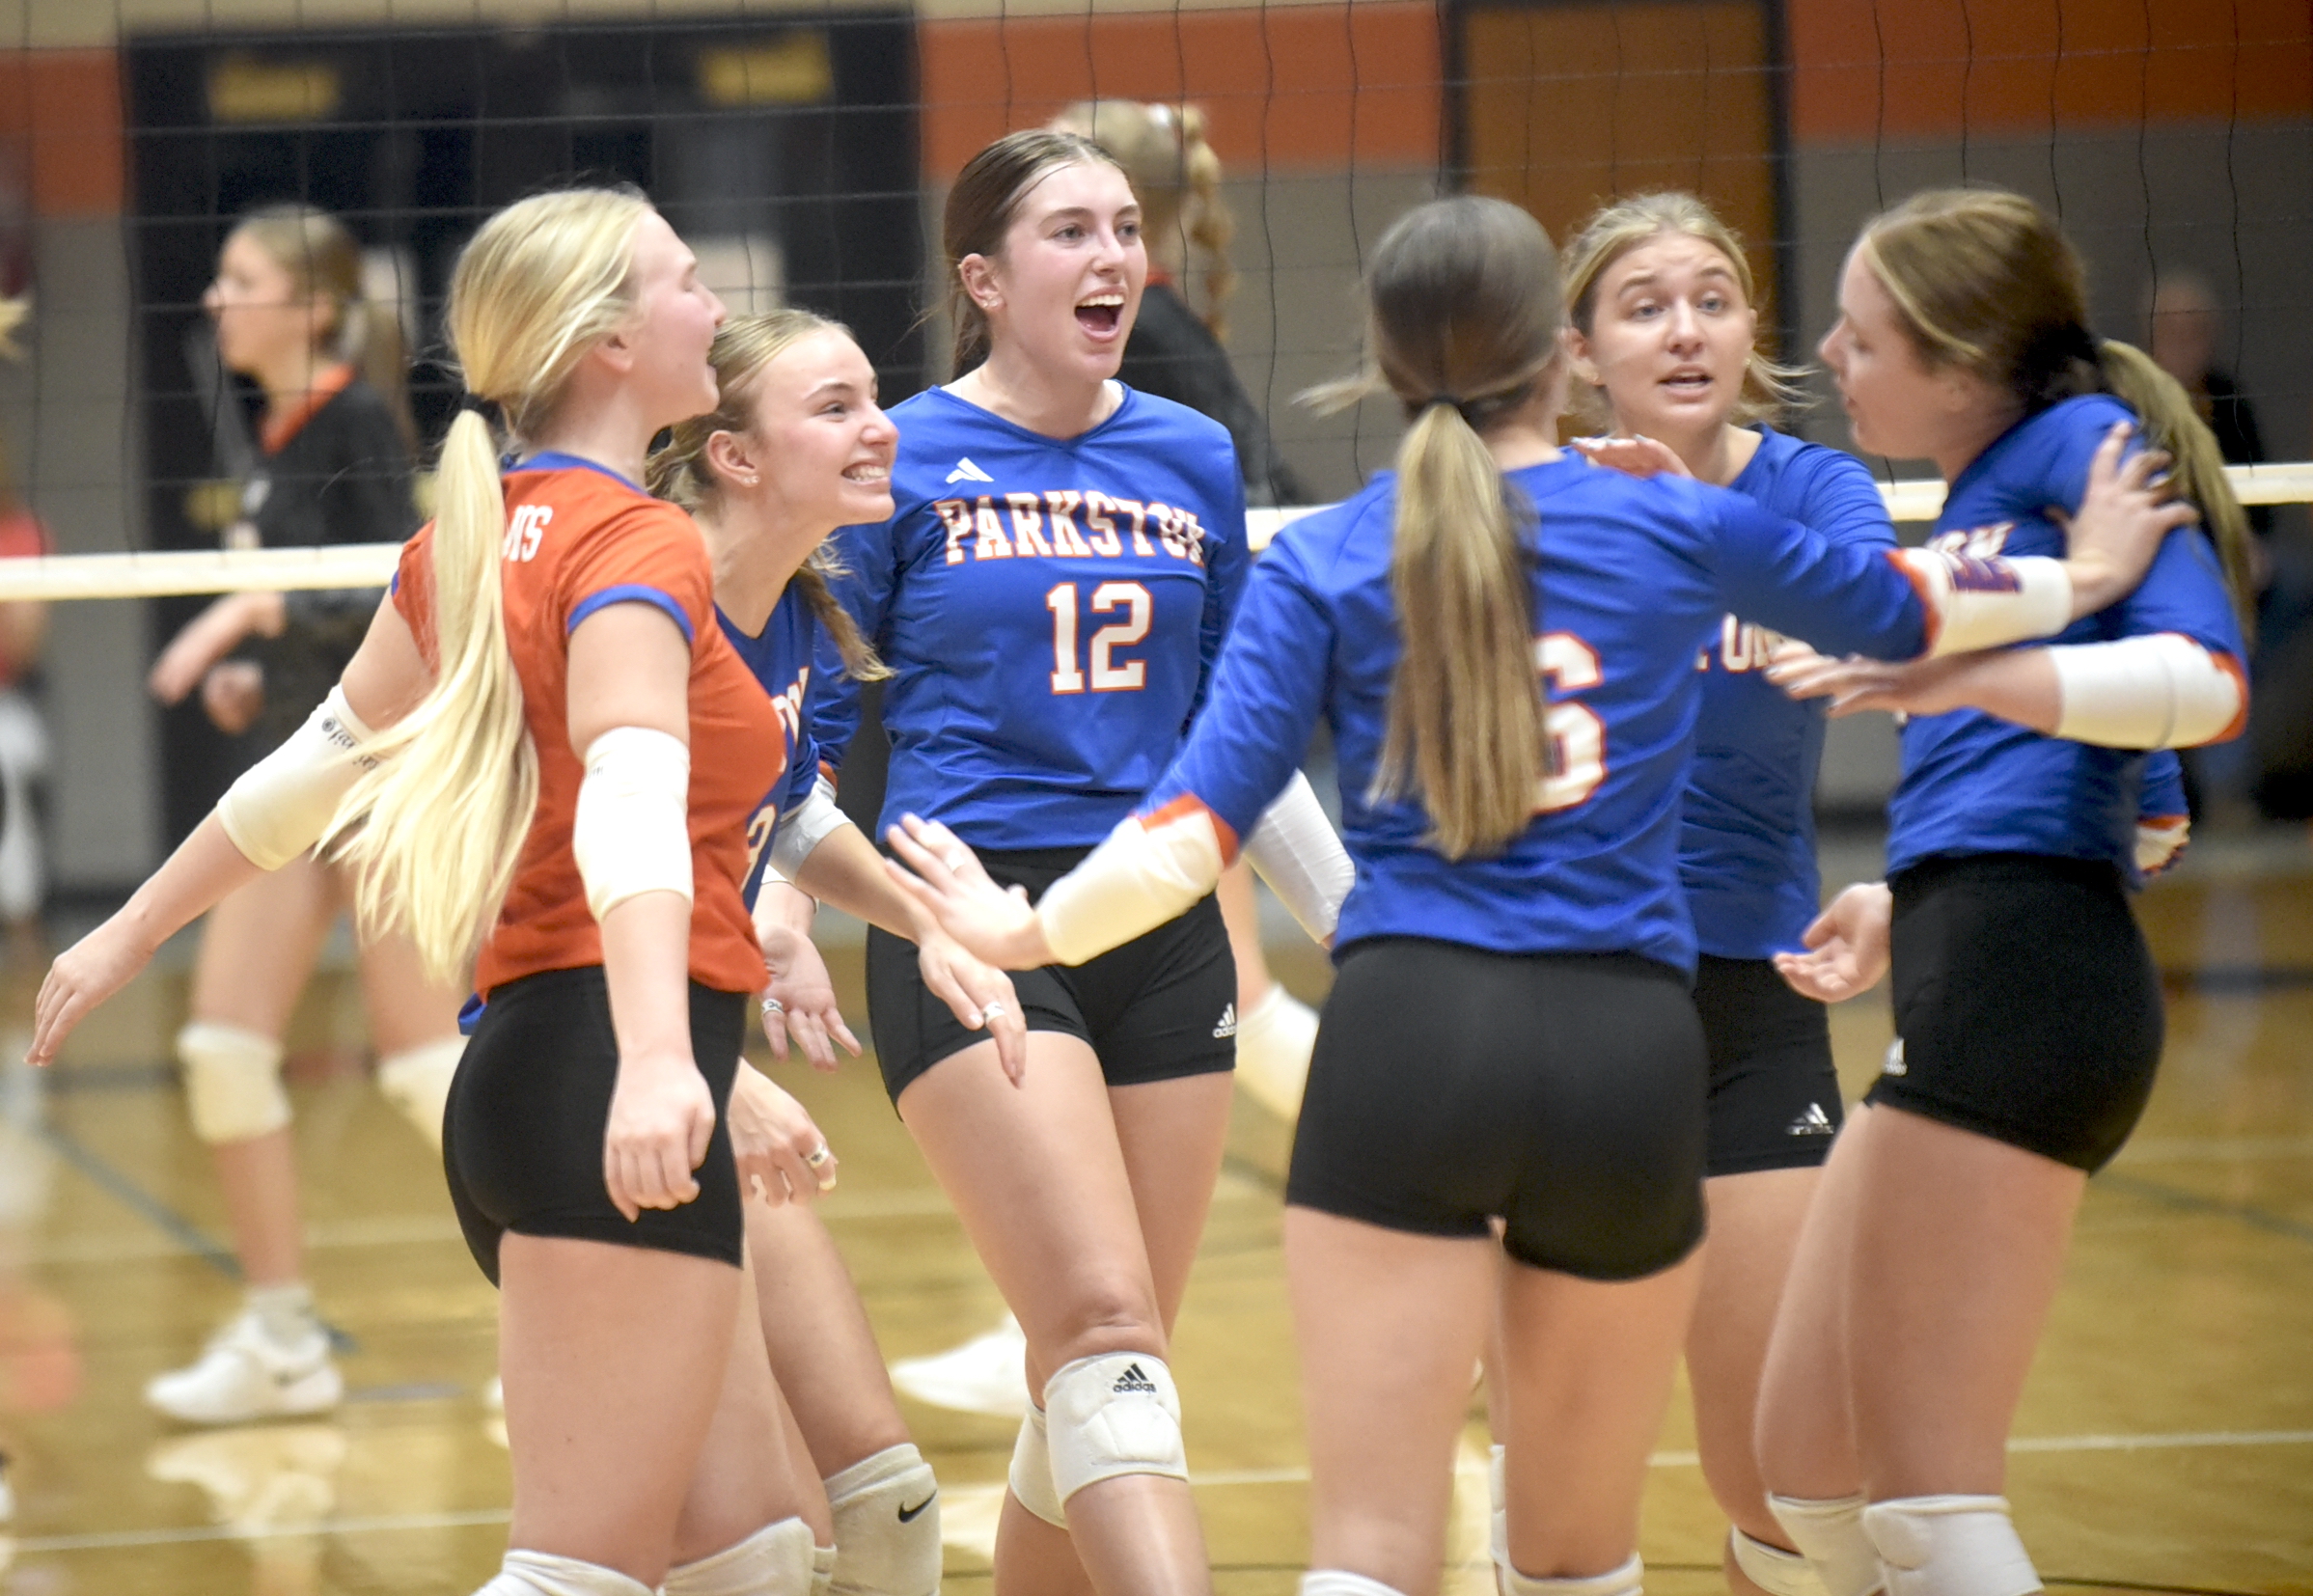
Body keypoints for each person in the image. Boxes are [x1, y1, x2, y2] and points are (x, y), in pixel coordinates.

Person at [878, 195, 2184, 1596]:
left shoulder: (1331, 554)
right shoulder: (1674, 524)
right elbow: (1908, 608)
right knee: (1575, 1554)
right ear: (1562, 356)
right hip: (1627, 1049)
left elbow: (1195, 826)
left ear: (1385, 366)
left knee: (1375, 1550)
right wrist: (2088, 574)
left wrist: (1029, 927)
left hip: (1411, 1036)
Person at [30, 185, 854, 1596]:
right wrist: (665, 1057)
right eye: (682, 280)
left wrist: (124, 932)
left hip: (532, 1077)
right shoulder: (637, 537)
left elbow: (304, 776)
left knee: (756, 1556)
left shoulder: (475, 535)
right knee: (579, 1573)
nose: (715, 305)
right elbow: (631, 800)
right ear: (609, 340)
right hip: (602, 1073)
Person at [806, 127, 1348, 1596]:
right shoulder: (898, 453)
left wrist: (1360, 924)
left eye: (1123, 228)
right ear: (983, 279)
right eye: (1069, 231)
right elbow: (805, 716)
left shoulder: (1190, 452)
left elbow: (1239, 735)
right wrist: (778, 913)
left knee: (1107, 1371)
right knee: (1104, 1326)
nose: (1112, 256)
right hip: (962, 912)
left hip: (1155, 920)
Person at [1750, 188, 2250, 1596]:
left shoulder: (2085, 448)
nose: (1831, 358)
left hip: (2034, 978)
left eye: (1862, 338)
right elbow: (2102, 798)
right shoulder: (1991, 484)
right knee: (1807, 1475)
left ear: (1964, 364)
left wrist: (1964, 673)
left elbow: (2208, 686)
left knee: (1926, 1502)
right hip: (1973, 950)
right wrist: (1904, 892)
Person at [647, 306, 1038, 1596]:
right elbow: (557, 883)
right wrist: (712, 1071)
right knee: (755, 1554)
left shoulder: (793, 606)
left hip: (685, 1060)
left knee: (889, 1514)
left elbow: (788, 807)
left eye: (875, 397)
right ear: (734, 455)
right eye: (837, 407)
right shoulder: (652, 609)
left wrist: (928, 926)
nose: (884, 429)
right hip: (605, 1082)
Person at [1544, 190, 1891, 1596]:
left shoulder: (1813, 491)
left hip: (1757, 995)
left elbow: (1887, 621)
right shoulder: (1536, 505)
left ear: (1752, 328)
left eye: (1711, 300)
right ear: (1581, 351)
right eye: (1644, 307)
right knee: (1566, 1480)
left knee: (1787, 1480)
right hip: (1573, 1003)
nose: (1684, 331)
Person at [136, 205, 466, 1425]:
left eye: (243, 278)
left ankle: (585, 1272)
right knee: (225, 1051)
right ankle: (282, 1340)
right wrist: (256, 669)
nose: (216, 298)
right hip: (299, 769)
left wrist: (248, 613)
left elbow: (398, 593)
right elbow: (323, 623)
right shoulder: (274, 433)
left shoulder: (356, 418)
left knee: (427, 1066)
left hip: (373, 779)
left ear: (315, 307)